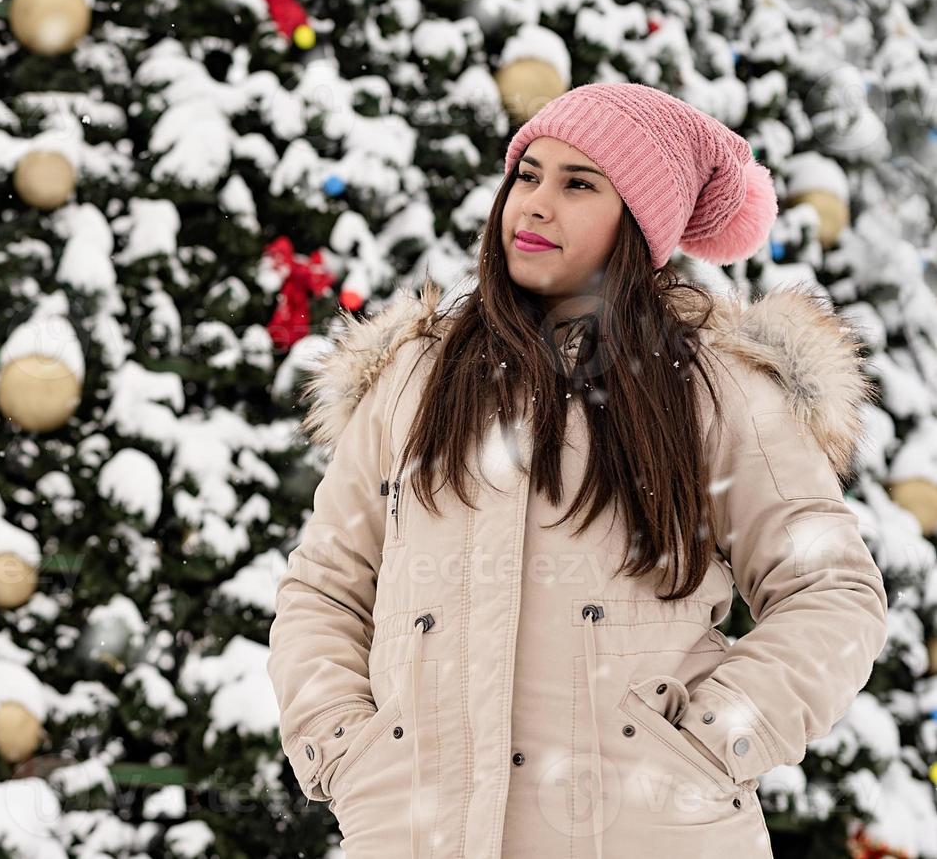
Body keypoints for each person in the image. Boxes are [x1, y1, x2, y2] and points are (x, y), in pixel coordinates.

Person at [267, 82, 890, 859]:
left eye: (577, 184)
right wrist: (345, 750)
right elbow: (323, 589)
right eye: (527, 175)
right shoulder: (415, 379)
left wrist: (701, 749)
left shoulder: (710, 387)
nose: (533, 205)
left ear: (636, 221)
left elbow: (832, 592)